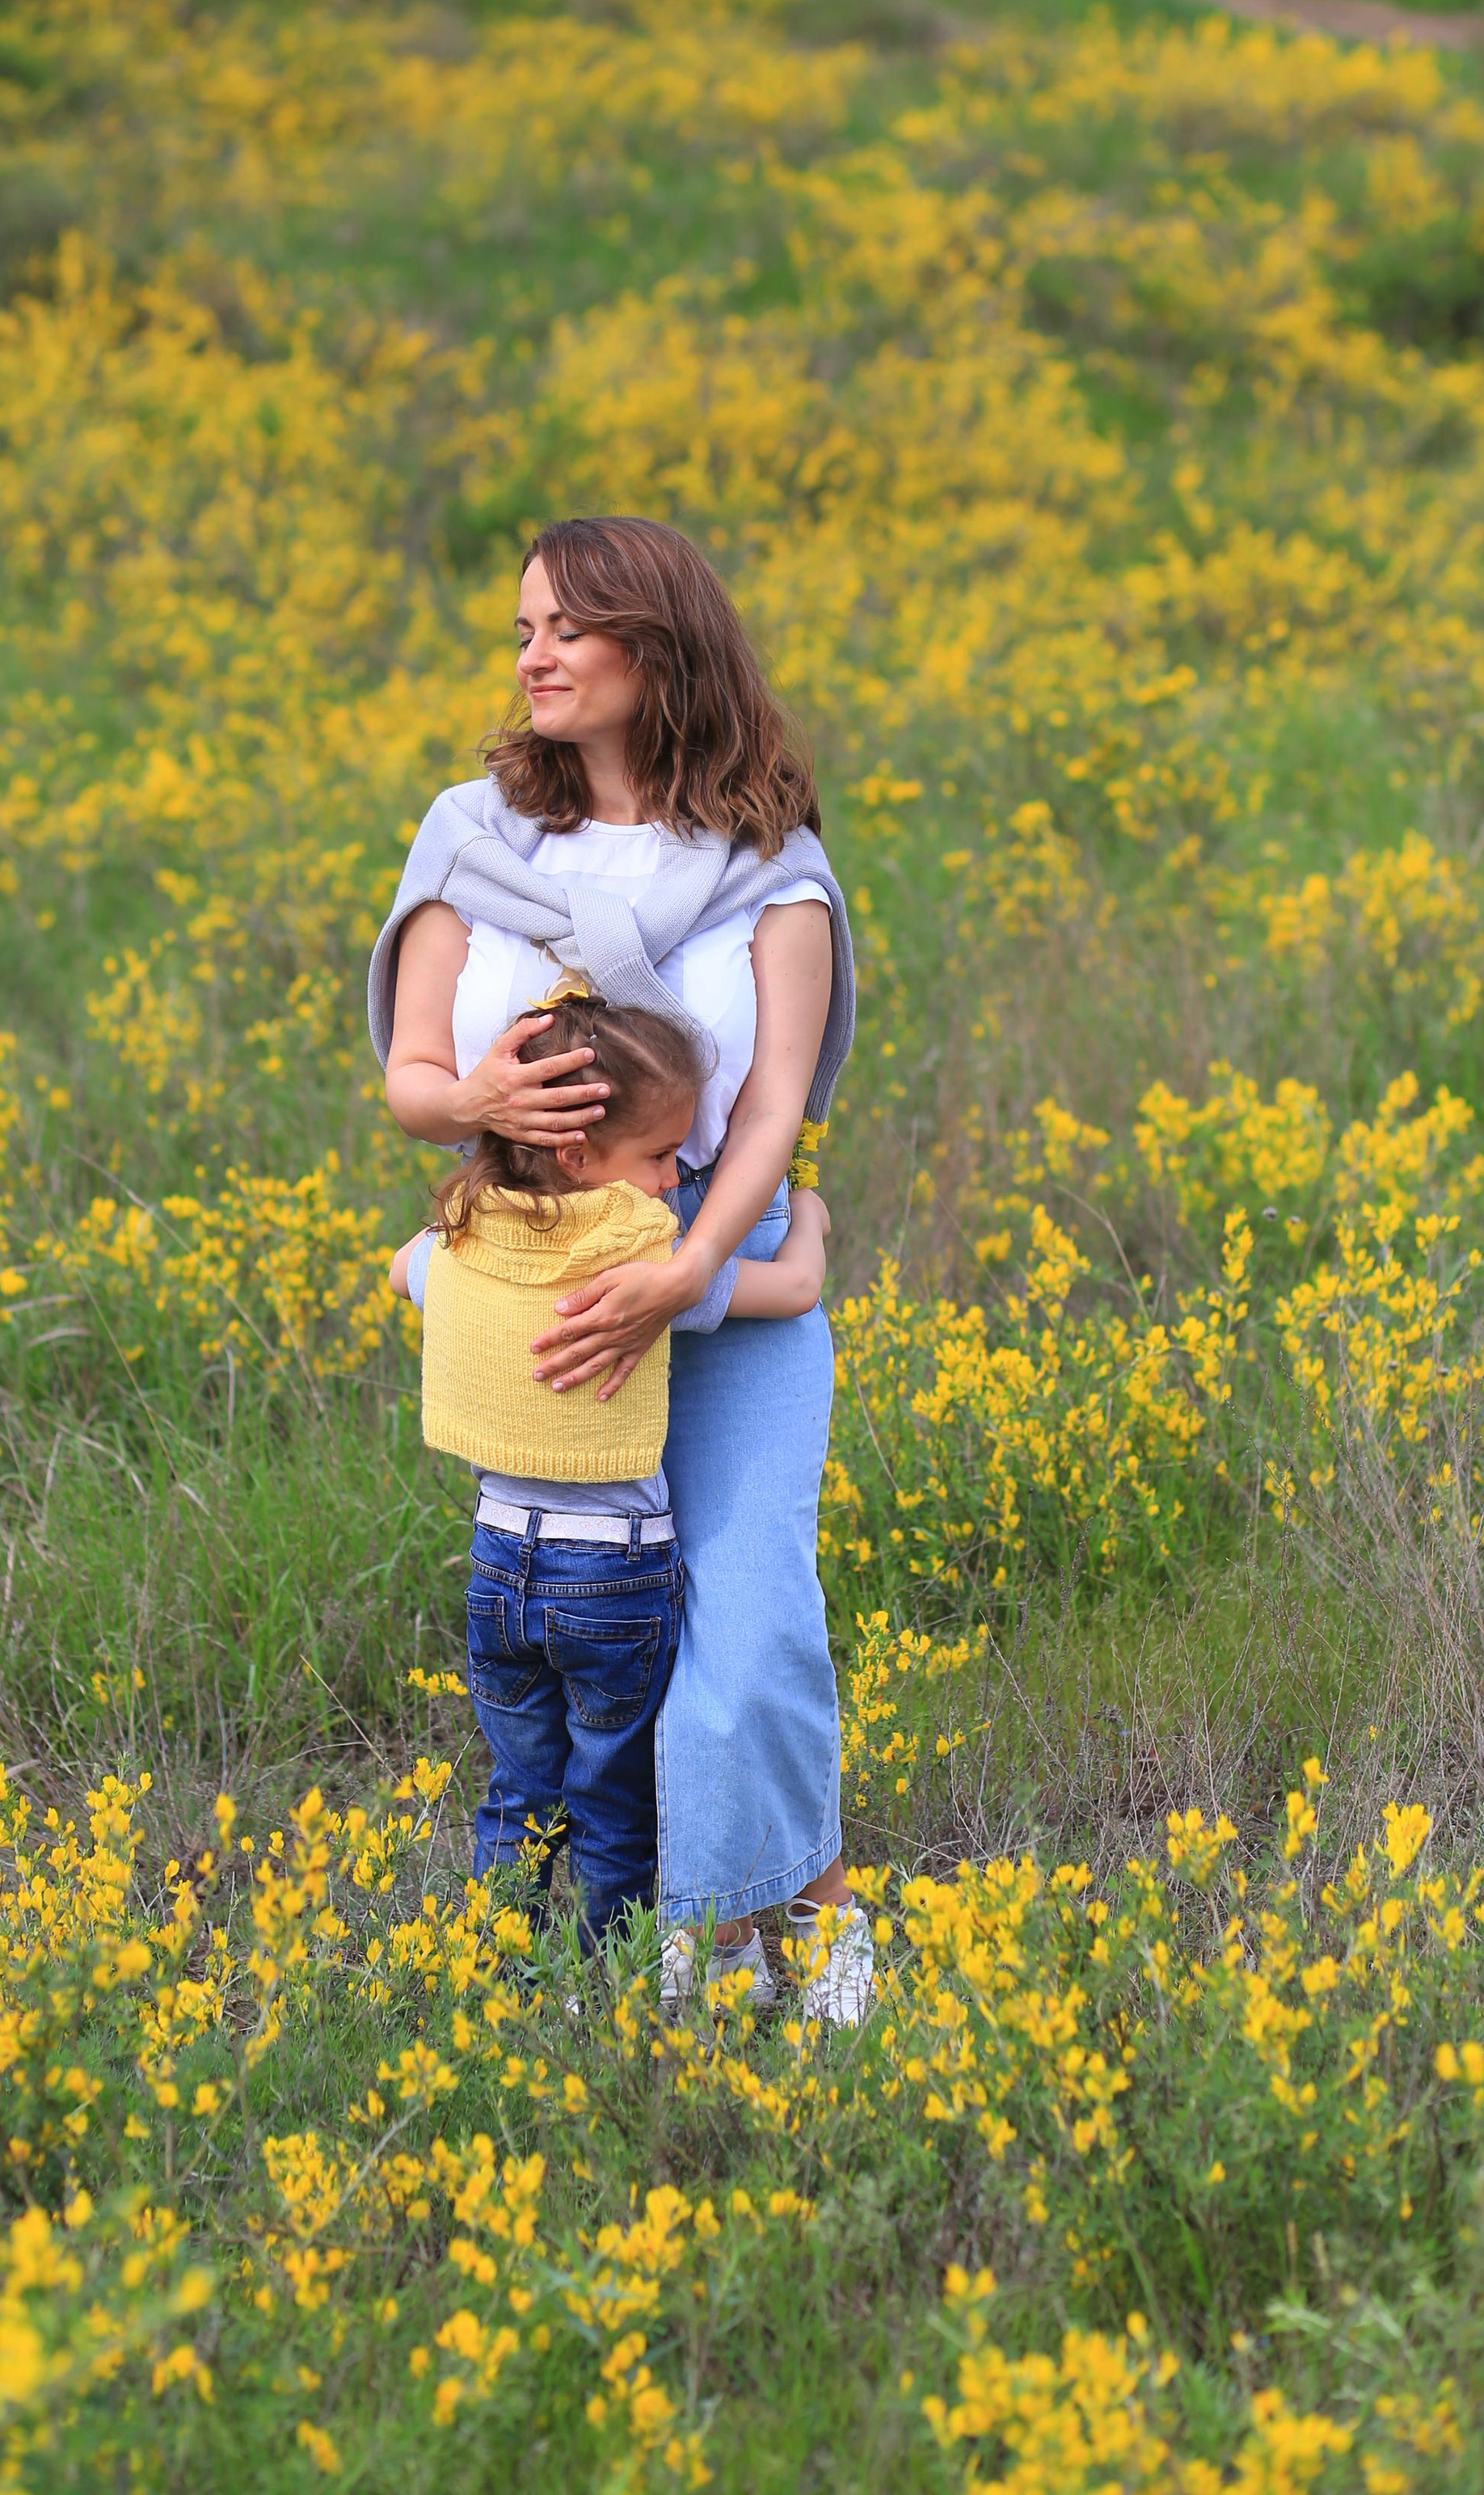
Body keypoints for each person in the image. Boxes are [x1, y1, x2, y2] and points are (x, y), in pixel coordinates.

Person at [370, 514, 874, 2029]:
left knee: (751, 1616)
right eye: (522, 630)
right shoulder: (474, 840)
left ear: (658, 647)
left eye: (566, 629)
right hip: (544, 1259)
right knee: (610, 1631)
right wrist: (474, 1102)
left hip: (712, 1235)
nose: (533, 656)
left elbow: (773, 1108)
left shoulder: (771, 868)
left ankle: (814, 1940)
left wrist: (699, 1264)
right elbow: (412, 1077)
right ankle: (688, 1960)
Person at [388, 988, 832, 1947]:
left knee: (518, 1793)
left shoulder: (469, 1241)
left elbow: (400, 1268)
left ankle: (495, 1967)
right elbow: (796, 1288)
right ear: (579, 1154)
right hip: (612, 1581)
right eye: (663, 1155)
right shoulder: (641, 1273)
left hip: (498, 1565)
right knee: (613, 1806)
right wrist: (809, 1217)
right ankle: (612, 1981)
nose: (676, 1180)